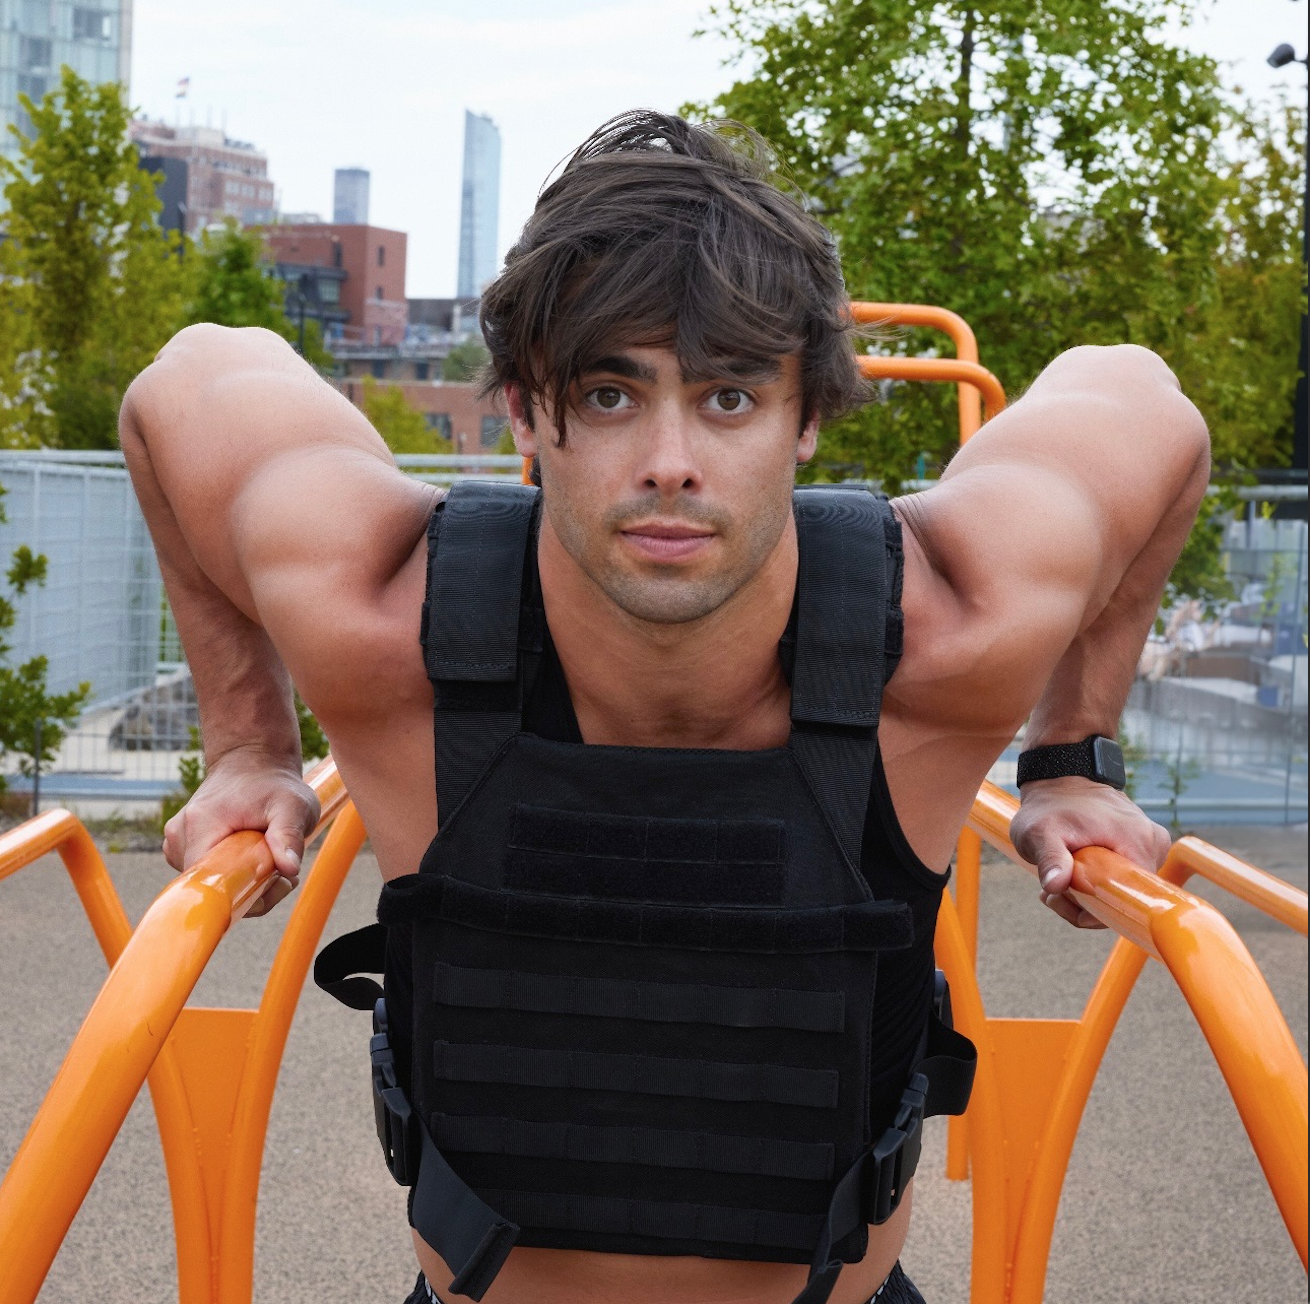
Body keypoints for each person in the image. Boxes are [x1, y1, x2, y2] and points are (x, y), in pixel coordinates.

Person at [120, 111, 1204, 1304]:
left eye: (729, 398)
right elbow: (176, 386)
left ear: (808, 418)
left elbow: (1146, 402)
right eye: (608, 393)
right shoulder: (386, 623)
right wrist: (247, 744)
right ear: (529, 418)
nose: (671, 460)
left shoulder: (947, 633)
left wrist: (1068, 759)